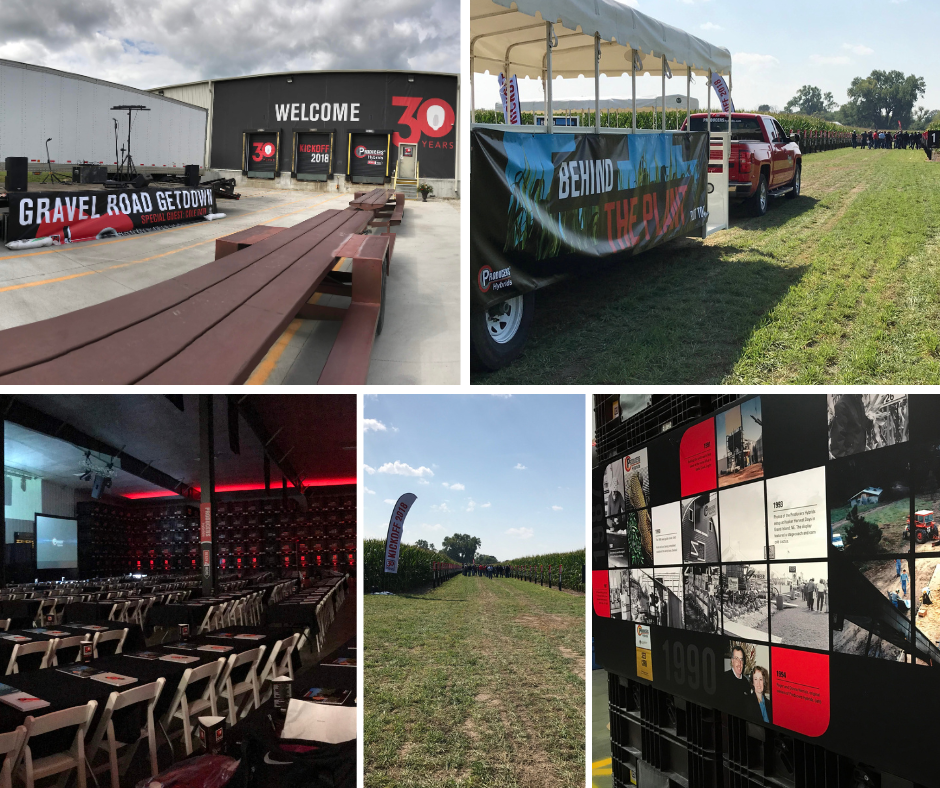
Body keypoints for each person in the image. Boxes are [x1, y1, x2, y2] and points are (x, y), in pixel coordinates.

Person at [723, 645, 752, 717]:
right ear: (732, 661)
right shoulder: (724, 678)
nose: (739, 663)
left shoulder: (746, 682)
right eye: (736, 659)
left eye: (741, 659)